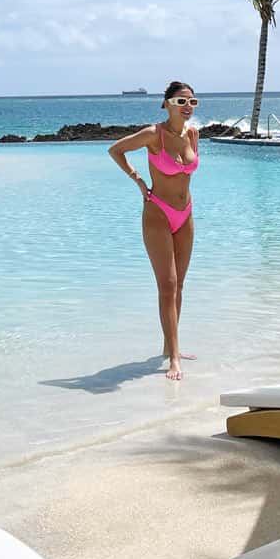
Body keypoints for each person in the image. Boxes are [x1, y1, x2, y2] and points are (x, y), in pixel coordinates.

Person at [109, 82, 200, 381]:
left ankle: (169, 345)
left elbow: (187, 172)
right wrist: (137, 180)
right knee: (168, 285)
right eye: (181, 101)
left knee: (181, 286)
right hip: (157, 213)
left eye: (192, 101)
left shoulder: (193, 134)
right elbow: (116, 150)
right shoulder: (154, 135)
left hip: (185, 214)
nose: (187, 106)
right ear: (166, 104)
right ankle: (174, 358)